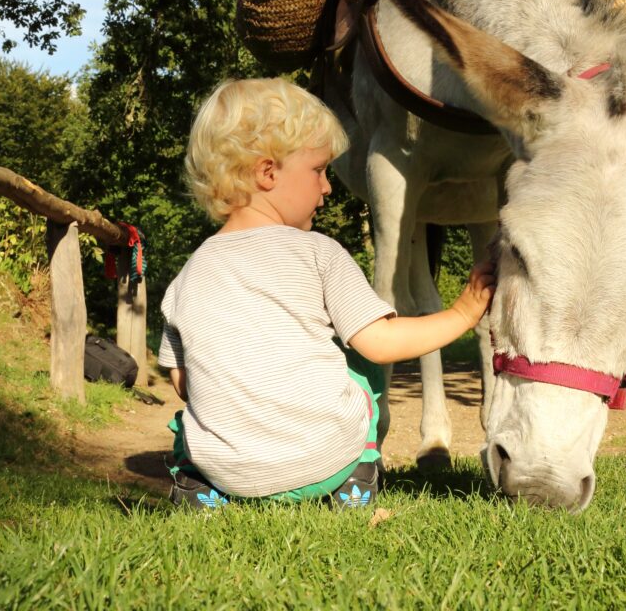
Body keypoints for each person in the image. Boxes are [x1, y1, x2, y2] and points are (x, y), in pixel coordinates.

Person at [158, 78, 495, 509]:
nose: (327, 188)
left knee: (190, 419)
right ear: (267, 173)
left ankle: (201, 489)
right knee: (360, 360)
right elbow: (382, 344)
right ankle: (356, 475)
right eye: (317, 171)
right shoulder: (319, 254)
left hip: (227, 472)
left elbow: (185, 384)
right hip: (324, 462)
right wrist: (463, 313)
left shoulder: (189, 274)